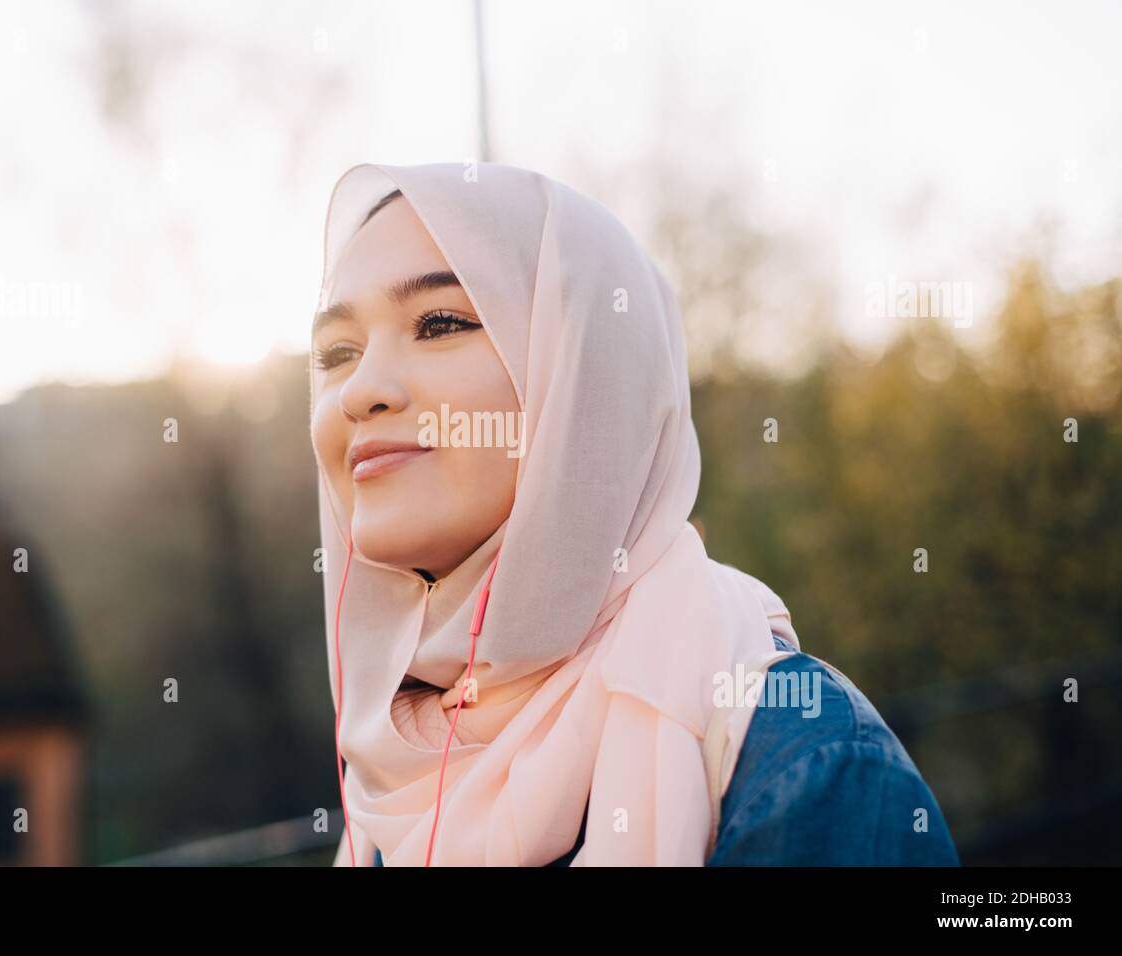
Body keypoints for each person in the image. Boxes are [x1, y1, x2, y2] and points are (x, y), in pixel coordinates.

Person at [308, 161, 959, 866]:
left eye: (439, 323)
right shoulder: (389, 780)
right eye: (338, 352)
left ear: (587, 374)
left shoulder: (810, 767)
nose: (358, 389)